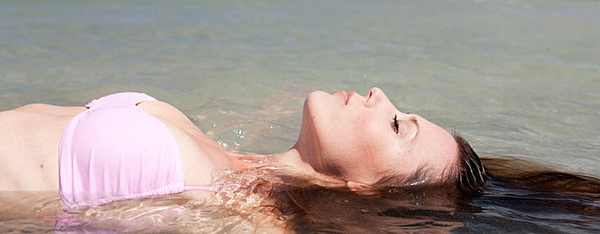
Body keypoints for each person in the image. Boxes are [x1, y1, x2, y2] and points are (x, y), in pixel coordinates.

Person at [0, 88, 485, 209]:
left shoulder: (243, 219)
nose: (380, 95)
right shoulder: (231, 164)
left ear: (365, 190)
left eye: (398, 125)